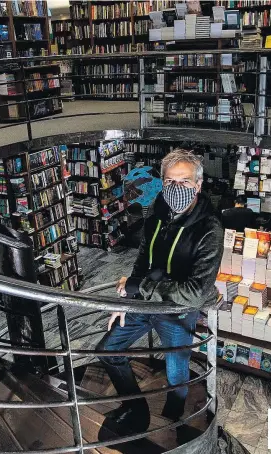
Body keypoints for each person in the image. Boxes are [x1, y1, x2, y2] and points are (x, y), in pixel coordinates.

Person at [96, 149, 223, 438]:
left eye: (185, 181)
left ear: (198, 185)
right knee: (108, 351)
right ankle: (137, 407)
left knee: (176, 371)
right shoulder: (157, 214)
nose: (176, 188)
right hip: (144, 305)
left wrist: (139, 287)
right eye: (170, 181)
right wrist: (126, 300)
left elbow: (195, 292)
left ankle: (174, 418)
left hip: (176, 314)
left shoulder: (209, 229)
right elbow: (143, 261)